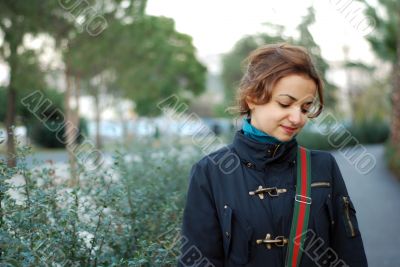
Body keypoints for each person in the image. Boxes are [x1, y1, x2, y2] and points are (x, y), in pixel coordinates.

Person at [178, 43, 367, 267]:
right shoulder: (209, 172)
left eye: (305, 108)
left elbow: (350, 254)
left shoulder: (324, 167)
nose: (297, 118)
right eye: (285, 103)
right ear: (252, 98)